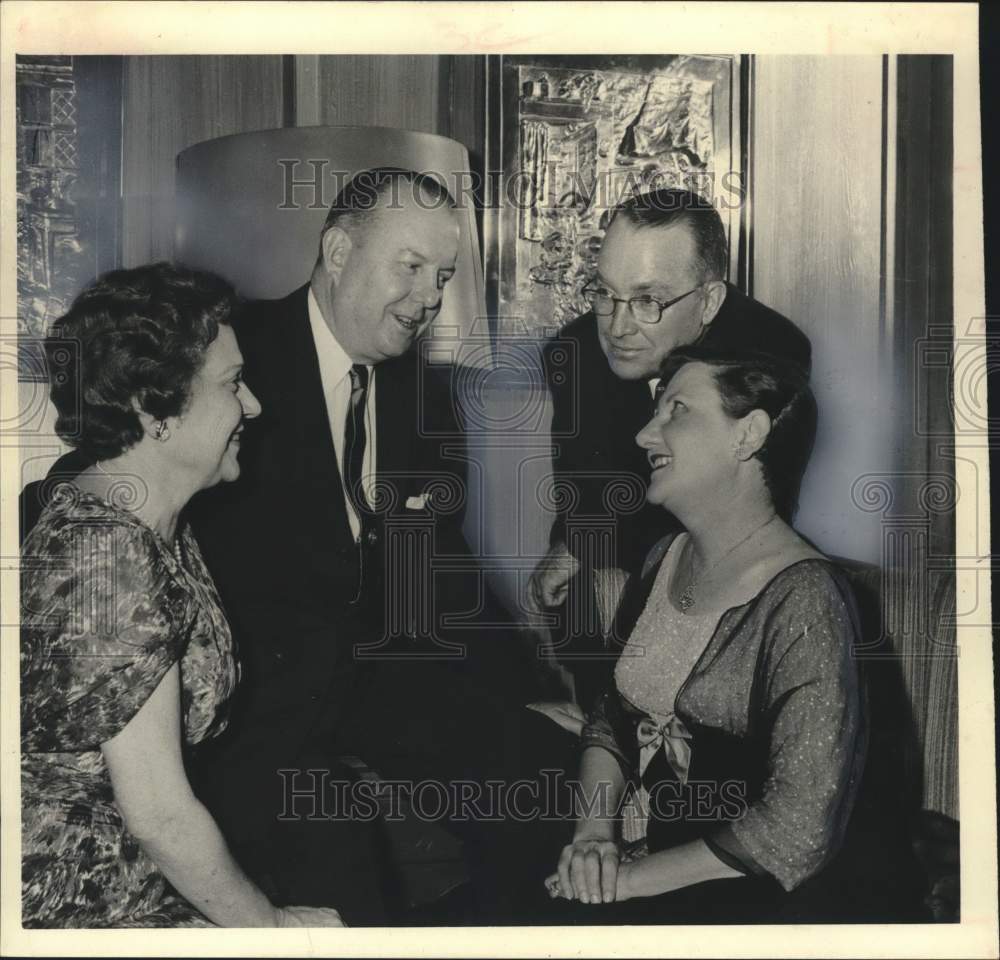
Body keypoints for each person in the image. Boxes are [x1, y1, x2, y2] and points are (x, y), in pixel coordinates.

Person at [182, 168, 563, 920]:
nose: (429, 298)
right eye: (411, 267)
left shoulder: (423, 394)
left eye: (444, 276)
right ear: (338, 250)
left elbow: (442, 567)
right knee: (344, 873)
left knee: (545, 779)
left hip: (384, 686)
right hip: (257, 702)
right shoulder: (232, 361)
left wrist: (530, 693)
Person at [541, 345, 918, 923]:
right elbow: (610, 714)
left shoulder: (807, 599)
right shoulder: (664, 556)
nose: (645, 434)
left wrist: (623, 882)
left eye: (677, 411)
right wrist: (594, 837)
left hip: (761, 896)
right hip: (655, 857)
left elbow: (794, 832)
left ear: (748, 436)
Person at [19, 263, 345, 927]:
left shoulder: (157, 521)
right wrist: (274, 930)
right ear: (156, 409)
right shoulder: (106, 555)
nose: (252, 405)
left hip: (141, 885)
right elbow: (160, 815)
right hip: (78, 908)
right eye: (231, 385)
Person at [530, 188, 812, 709]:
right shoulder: (575, 351)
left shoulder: (770, 354)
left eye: (648, 301)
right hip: (609, 584)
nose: (616, 328)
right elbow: (581, 483)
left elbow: (732, 515)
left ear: (708, 301)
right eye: (606, 293)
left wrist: (583, 541)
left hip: (731, 579)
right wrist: (575, 544)